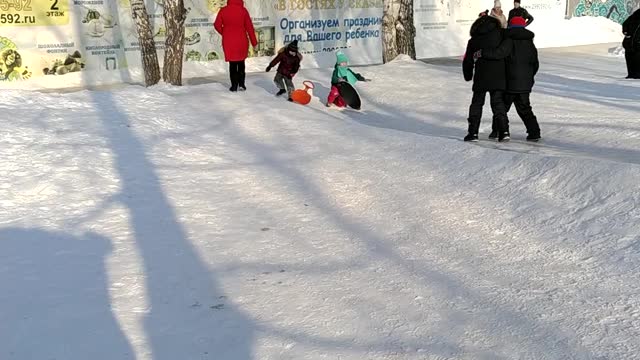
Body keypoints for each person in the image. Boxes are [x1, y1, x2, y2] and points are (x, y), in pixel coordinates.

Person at [478, 16, 541, 141]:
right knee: (525, 108)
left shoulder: (509, 39)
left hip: (510, 82)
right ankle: (534, 132)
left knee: (501, 107)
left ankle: (497, 131)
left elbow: (499, 53)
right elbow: (535, 64)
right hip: (525, 84)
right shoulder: (530, 43)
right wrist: (528, 78)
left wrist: (483, 53)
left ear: (510, 26)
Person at [462, 11, 510, 142]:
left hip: (481, 75)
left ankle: (473, 133)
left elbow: (467, 60)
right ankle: (504, 131)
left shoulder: (474, 40)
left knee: (477, 104)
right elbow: (505, 52)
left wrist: (468, 75)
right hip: (498, 75)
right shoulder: (501, 35)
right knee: (498, 104)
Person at [214, 0, 258, 92]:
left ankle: (234, 86)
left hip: (229, 41)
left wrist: (225, 33)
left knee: (232, 64)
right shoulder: (243, 11)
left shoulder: (223, 10)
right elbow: (250, 28)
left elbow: (217, 25)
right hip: (242, 41)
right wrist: (254, 43)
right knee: (241, 63)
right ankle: (241, 84)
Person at [622, 8, 640, 79]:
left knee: (637, 60)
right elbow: (625, 24)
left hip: (637, 44)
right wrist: (626, 32)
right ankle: (631, 74)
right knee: (630, 59)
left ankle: (637, 74)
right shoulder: (635, 15)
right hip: (629, 43)